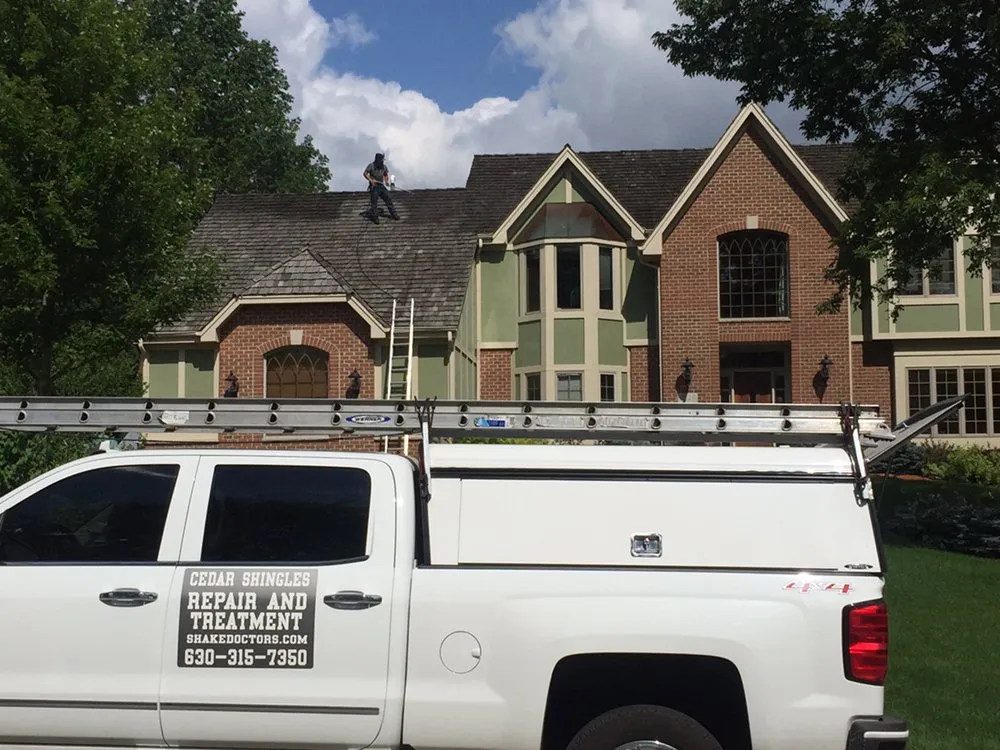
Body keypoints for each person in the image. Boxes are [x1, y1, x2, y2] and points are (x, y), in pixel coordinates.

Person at [362, 153, 399, 223]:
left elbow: (385, 174)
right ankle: (375, 217)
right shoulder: (371, 166)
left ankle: (394, 214)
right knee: (374, 202)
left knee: (388, 198)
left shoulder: (384, 167)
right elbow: (365, 173)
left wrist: (386, 181)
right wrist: (371, 180)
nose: (382, 162)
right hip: (374, 186)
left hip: (381, 186)